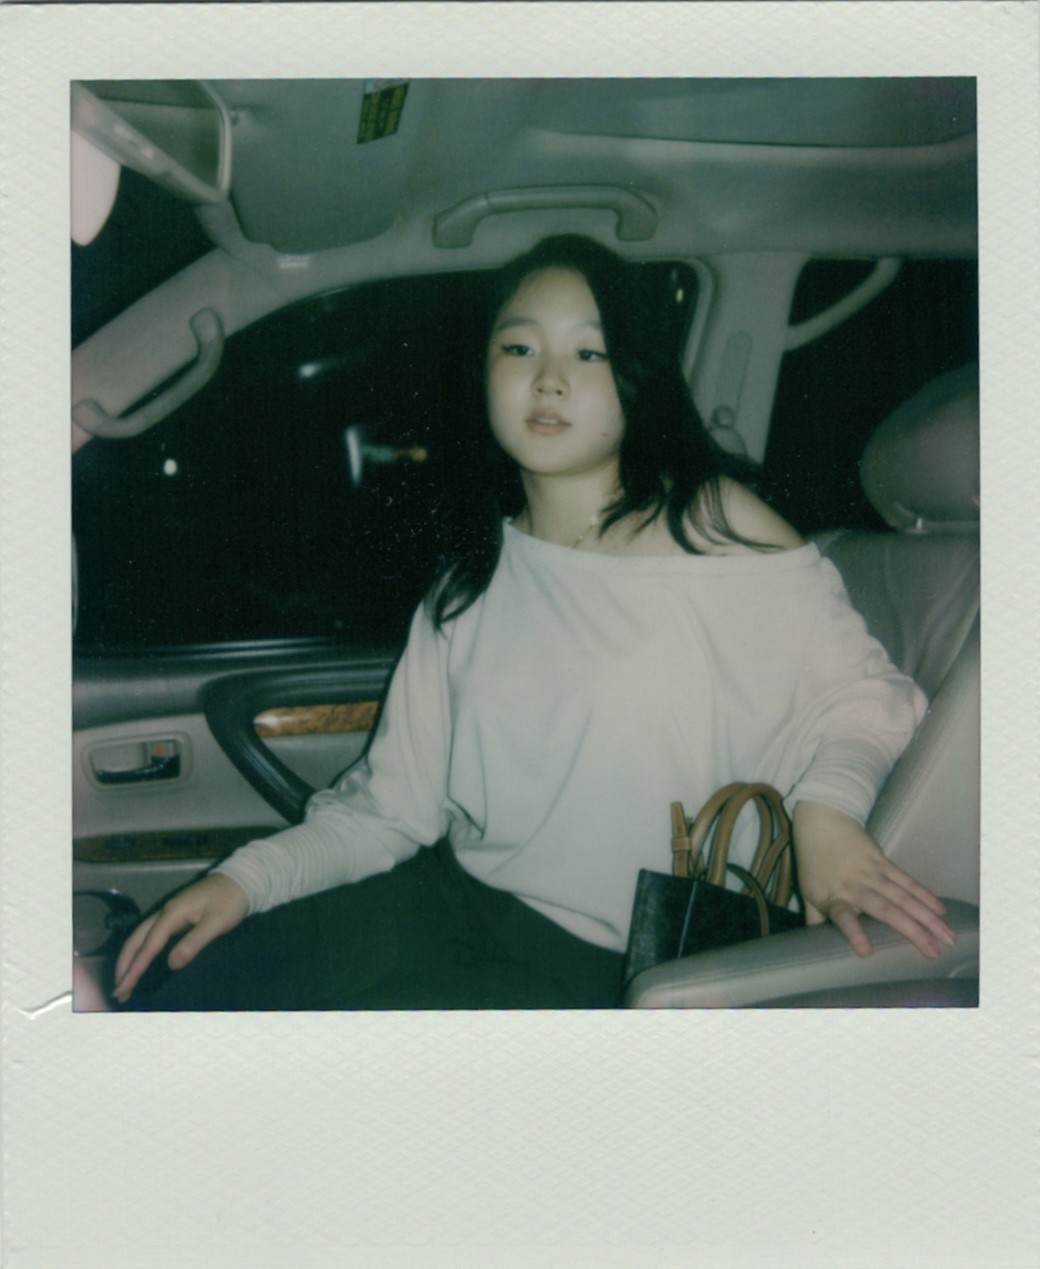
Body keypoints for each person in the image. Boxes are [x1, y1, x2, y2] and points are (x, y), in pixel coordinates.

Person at [112, 234, 954, 1010]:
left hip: (613, 963)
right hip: (446, 903)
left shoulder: (709, 525)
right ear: (485, 371)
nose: (548, 378)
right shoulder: (466, 583)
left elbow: (866, 695)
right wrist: (246, 880)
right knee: (180, 992)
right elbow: (390, 810)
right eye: (519, 347)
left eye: (587, 352)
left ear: (634, 375)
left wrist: (828, 819)